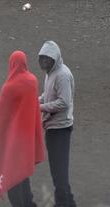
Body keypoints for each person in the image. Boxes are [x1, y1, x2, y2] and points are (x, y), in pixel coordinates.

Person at [0, 51, 46, 206]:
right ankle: (29, 203)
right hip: (27, 139)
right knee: (23, 173)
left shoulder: (9, 87)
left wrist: (0, 139)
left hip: (14, 141)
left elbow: (1, 116)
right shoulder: (33, 81)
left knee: (12, 177)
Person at [39, 40, 76, 207]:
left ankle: (62, 203)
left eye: (47, 59)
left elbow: (63, 102)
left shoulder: (62, 75)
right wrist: (36, 101)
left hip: (60, 129)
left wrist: (39, 107)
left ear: (55, 58)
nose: (44, 62)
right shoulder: (50, 72)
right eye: (42, 58)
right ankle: (69, 202)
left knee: (59, 172)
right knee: (57, 171)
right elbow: (47, 94)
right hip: (52, 127)